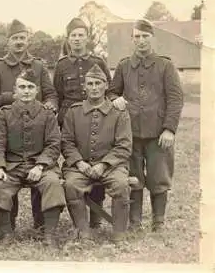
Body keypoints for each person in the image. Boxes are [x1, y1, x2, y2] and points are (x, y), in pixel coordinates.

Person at [0, 19, 58, 231]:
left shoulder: (39, 66)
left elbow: (50, 93)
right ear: (8, 41)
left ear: (28, 40)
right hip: (8, 123)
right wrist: (11, 98)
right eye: (15, 38)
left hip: (37, 121)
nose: (19, 42)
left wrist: (49, 105)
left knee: (42, 176)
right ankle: (9, 226)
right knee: (8, 175)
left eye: (22, 38)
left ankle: (41, 224)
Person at [109, 19, 184, 232]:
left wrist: (169, 129)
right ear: (132, 39)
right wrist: (115, 98)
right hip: (129, 133)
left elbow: (176, 98)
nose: (141, 41)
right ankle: (134, 222)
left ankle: (158, 222)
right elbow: (112, 91)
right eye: (137, 36)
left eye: (145, 36)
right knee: (133, 177)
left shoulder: (165, 65)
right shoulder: (124, 66)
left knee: (159, 176)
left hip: (158, 133)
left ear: (153, 38)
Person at [0, 69, 65, 247]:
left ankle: (49, 234)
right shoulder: (4, 114)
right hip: (12, 166)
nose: (26, 91)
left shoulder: (47, 114)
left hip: (41, 166)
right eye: (22, 87)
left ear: (37, 90)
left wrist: (40, 166)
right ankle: (7, 233)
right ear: (15, 90)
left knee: (52, 183)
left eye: (30, 87)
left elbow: (53, 144)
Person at [61, 64, 132, 243]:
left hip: (111, 166)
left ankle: (119, 233)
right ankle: (83, 231)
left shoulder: (119, 112)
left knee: (121, 185)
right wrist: (79, 163)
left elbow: (124, 145)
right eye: (90, 84)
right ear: (84, 87)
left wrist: (104, 164)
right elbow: (66, 142)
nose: (94, 88)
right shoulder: (73, 111)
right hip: (80, 166)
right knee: (71, 185)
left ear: (106, 85)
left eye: (98, 83)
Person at [53, 17, 113, 229]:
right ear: (68, 39)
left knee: (96, 160)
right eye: (73, 36)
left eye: (81, 35)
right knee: (75, 166)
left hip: (97, 118)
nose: (77, 39)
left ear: (87, 38)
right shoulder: (61, 65)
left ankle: (96, 217)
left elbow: (110, 89)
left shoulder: (98, 62)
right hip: (70, 122)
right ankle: (78, 218)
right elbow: (57, 94)